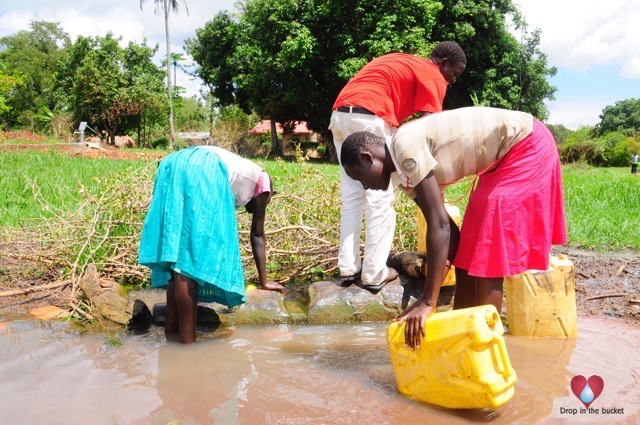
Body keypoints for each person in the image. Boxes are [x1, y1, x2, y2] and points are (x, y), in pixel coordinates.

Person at [339, 107, 567, 348]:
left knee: (487, 240)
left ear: (367, 157)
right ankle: (460, 342)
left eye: (360, 177)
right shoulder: (403, 178)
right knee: (470, 247)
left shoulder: (404, 146)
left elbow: (439, 226)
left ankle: (487, 345)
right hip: (503, 159)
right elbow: (449, 229)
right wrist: (431, 291)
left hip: (526, 144)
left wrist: (428, 301)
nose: (366, 186)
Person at [329, 41, 466, 290]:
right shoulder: (433, 74)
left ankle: (349, 268)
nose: (452, 81)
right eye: (454, 74)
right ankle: (374, 273)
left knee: (352, 197)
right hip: (371, 117)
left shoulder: (404, 60)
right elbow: (429, 129)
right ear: (443, 63)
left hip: (340, 115)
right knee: (380, 198)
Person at [138, 146, 285, 343]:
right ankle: (188, 345)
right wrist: (265, 282)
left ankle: (172, 335)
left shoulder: (239, 169)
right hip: (203, 165)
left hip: (172, 162)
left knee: (176, 258)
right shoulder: (264, 183)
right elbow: (257, 234)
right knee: (189, 261)